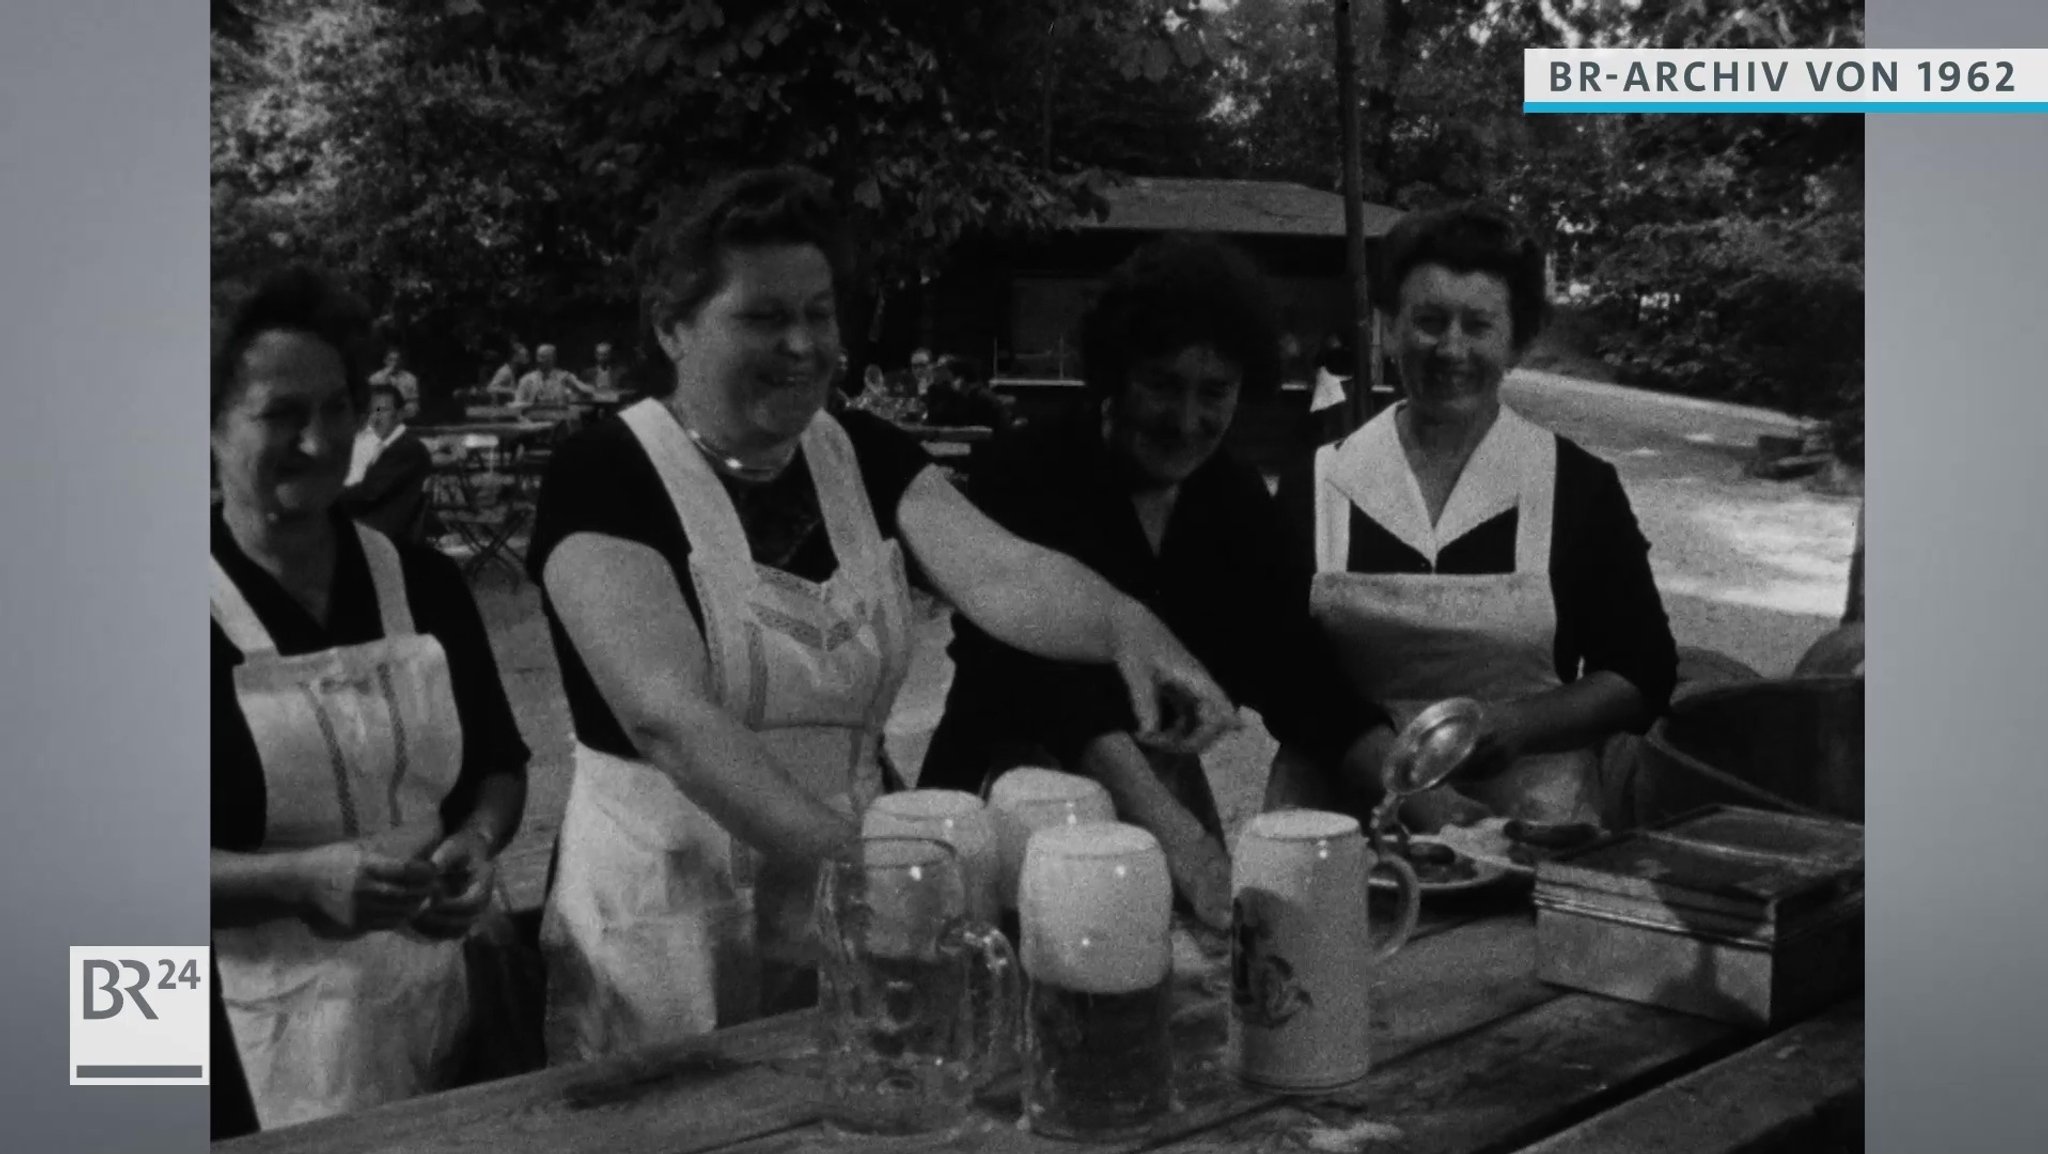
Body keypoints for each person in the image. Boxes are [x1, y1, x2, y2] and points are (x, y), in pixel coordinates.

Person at [526, 167, 1239, 1063]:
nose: (801, 344)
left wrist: (1128, 626)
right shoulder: (605, 473)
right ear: (672, 326)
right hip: (665, 917)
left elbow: (1003, 573)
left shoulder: (860, 453)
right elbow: (670, 719)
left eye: (819, 313)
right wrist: (882, 860)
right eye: (762, 316)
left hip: (859, 894)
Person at [919, 237, 1391, 929]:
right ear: (1115, 373)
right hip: (1007, 810)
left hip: (1161, 821)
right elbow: (1059, 698)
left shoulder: (1233, 502)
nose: (1186, 419)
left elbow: (1297, 670)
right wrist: (1189, 848)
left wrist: (1419, 785)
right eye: (1163, 384)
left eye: (1214, 392)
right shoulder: (1028, 472)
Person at [209, 267, 532, 1128]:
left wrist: (476, 838)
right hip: (212, 1029)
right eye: (281, 414)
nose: (318, 442)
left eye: (339, 409)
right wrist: (297, 879)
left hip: (419, 1008)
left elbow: (499, 762)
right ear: (205, 424)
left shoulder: (420, 582)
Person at [1270, 205, 1678, 831]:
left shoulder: (1577, 487)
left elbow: (1642, 671)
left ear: (1516, 343)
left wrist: (1520, 724)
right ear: (1388, 331)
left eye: (1479, 325)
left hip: (1529, 828)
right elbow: (1282, 674)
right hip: (1339, 824)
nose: (1451, 348)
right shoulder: (1320, 482)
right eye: (1429, 322)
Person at [337, 384, 434, 543]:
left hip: (383, 533)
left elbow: (369, 494)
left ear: (400, 414)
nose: (375, 418)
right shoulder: (390, 446)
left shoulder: (406, 449)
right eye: (372, 411)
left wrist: (330, 497)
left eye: (382, 410)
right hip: (373, 525)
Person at [512, 343, 591, 410]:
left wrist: (577, 394)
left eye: (543, 357)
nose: (539, 360)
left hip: (560, 421)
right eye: (538, 356)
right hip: (534, 421)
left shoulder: (564, 377)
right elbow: (517, 403)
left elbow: (586, 390)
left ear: (552, 359)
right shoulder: (527, 380)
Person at [368, 348, 421, 414]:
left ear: (401, 361)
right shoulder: (377, 376)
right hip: (384, 407)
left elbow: (414, 399)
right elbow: (372, 383)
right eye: (391, 360)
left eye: (397, 360)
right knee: (378, 408)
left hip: (402, 408)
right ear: (385, 361)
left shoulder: (410, 378)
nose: (394, 363)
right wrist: (387, 372)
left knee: (411, 408)